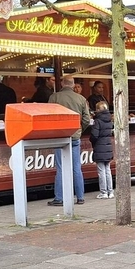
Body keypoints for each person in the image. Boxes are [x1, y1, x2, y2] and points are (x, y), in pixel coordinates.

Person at [47, 76, 91, 206]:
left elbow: (48, 116)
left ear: (62, 83)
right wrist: (79, 129)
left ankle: (60, 198)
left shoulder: (54, 97)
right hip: (75, 136)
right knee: (77, 167)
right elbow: (87, 119)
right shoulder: (81, 99)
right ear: (73, 85)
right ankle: (80, 197)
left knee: (61, 168)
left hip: (60, 137)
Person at [89, 101, 114, 199]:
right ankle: (110, 191)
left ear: (99, 110)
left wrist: (91, 140)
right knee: (107, 170)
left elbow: (94, 135)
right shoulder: (109, 120)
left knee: (101, 171)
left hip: (99, 147)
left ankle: (103, 192)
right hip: (108, 147)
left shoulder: (98, 121)